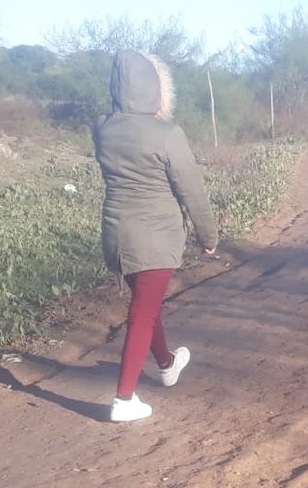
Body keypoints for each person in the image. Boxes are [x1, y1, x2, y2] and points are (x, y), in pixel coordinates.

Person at [94, 51, 219, 422]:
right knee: (142, 313)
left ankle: (166, 364)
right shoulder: (167, 134)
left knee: (146, 306)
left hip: (118, 233)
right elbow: (191, 189)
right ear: (155, 89)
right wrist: (207, 236)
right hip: (156, 235)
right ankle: (124, 398)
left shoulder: (102, 128)